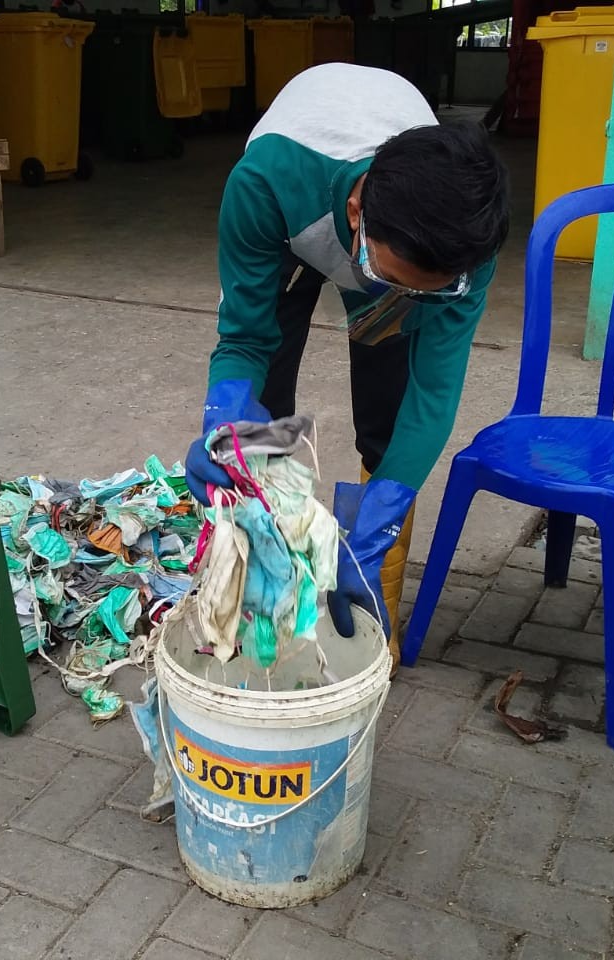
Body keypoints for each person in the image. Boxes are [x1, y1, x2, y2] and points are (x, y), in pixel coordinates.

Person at [185, 62, 510, 669]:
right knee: (264, 412)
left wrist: (390, 496)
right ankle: (266, 599)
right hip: (294, 220)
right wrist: (223, 413)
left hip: (389, 248)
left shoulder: (465, 241)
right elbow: (246, 339)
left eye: (430, 288)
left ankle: (370, 612)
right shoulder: (264, 185)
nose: (415, 293)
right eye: (398, 277)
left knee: (389, 421)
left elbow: (434, 386)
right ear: (359, 209)